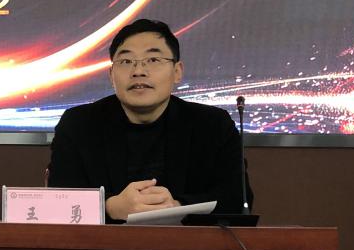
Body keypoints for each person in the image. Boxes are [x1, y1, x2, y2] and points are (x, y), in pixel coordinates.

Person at [47, 18, 251, 220]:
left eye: (153, 60)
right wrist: (109, 207)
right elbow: (58, 200)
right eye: (126, 61)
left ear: (177, 72)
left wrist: (176, 208)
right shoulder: (79, 124)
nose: (138, 72)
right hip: (102, 241)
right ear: (111, 75)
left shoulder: (212, 125)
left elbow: (237, 199)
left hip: (185, 241)